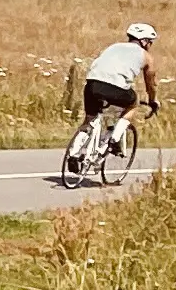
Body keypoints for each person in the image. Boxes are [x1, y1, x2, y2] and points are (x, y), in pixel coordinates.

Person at [64, 21, 157, 181]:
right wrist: (153, 101)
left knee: (90, 120)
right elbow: (151, 83)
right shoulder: (146, 57)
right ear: (143, 41)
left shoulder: (113, 47)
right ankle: (115, 138)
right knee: (132, 104)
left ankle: (74, 152)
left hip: (92, 85)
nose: (150, 45)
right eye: (150, 42)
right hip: (116, 88)